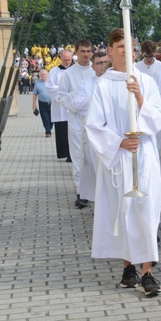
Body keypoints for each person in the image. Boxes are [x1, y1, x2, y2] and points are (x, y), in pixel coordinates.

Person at [85, 28, 161, 297]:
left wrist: (140, 97)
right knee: (123, 213)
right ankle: (128, 267)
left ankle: (147, 271)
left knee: (146, 212)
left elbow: (158, 119)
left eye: (130, 46)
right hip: (119, 159)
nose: (126, 51)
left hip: (144, 158)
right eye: (119, 46)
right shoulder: (103, 85)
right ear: (109, 52)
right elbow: (95, 126)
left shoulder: (146, 82)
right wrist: (119, 142)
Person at [68, 51, 110, 205]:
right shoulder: (85, 84)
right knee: (90, 166)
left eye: (105, 62)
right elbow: (76, 105)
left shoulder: (116, 81)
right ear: (92, 67)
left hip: (112, 133)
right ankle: (88, 194)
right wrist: (96, 100)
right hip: (92, 131)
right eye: (99, 63)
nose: (103, 66)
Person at [59, 40, 95, 208]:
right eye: (83, 51)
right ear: (76, 52)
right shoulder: (68, 74)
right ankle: (81, 191)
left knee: (93, 155)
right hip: (77, 119)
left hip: (95, 119)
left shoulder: (95, 70)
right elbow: (62, 96)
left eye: (89, 51)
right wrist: (75, 104)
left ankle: (95, 189)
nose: (86, 54)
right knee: (79, 155)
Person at [45, 48, 73, 160]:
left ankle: (72, 154)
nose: (67, 62)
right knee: (62, 131)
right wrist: (63, 94)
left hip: (73, 105)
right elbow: (50, 87)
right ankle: (64, 153)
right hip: (60, 106)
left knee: (73, 131)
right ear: (60, 58)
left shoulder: (76, 70)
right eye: (65, 60)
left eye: (69, 60)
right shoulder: (54, 71)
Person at [32, 69, 52, 137]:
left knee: (51, 118)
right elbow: (35, 94)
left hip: (52, 103)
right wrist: (34, 105)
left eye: (45, 74)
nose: (43, 76)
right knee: (45, 118)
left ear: (47, 75)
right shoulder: (37, 83)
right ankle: (48, 131)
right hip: (42, 103)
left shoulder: (51, 82)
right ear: (40, 75)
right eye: (42, 74)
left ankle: (49, 127)